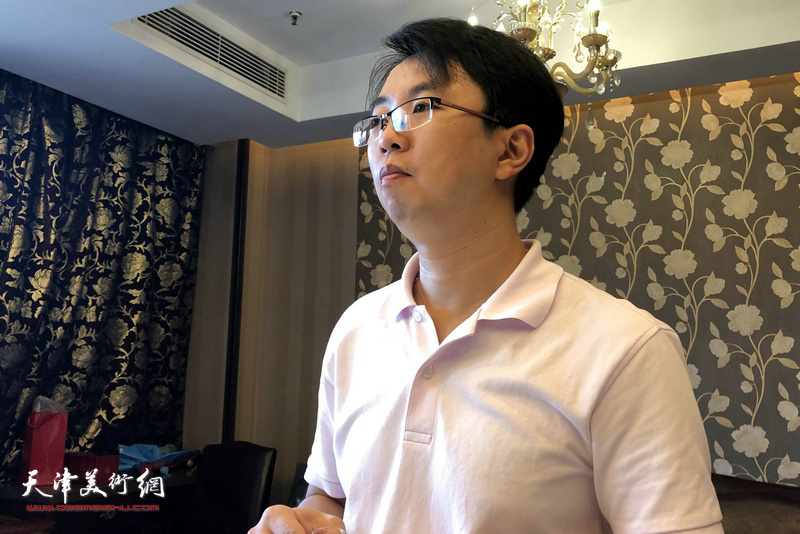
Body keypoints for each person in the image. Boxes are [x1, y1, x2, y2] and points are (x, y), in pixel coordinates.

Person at [250, 18, 723, 534]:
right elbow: (333, 496)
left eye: (420, 108)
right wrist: (307, 522)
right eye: (379, 118)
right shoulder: (357, 328)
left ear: (511, 150)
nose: (385, 137)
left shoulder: (626, 351)